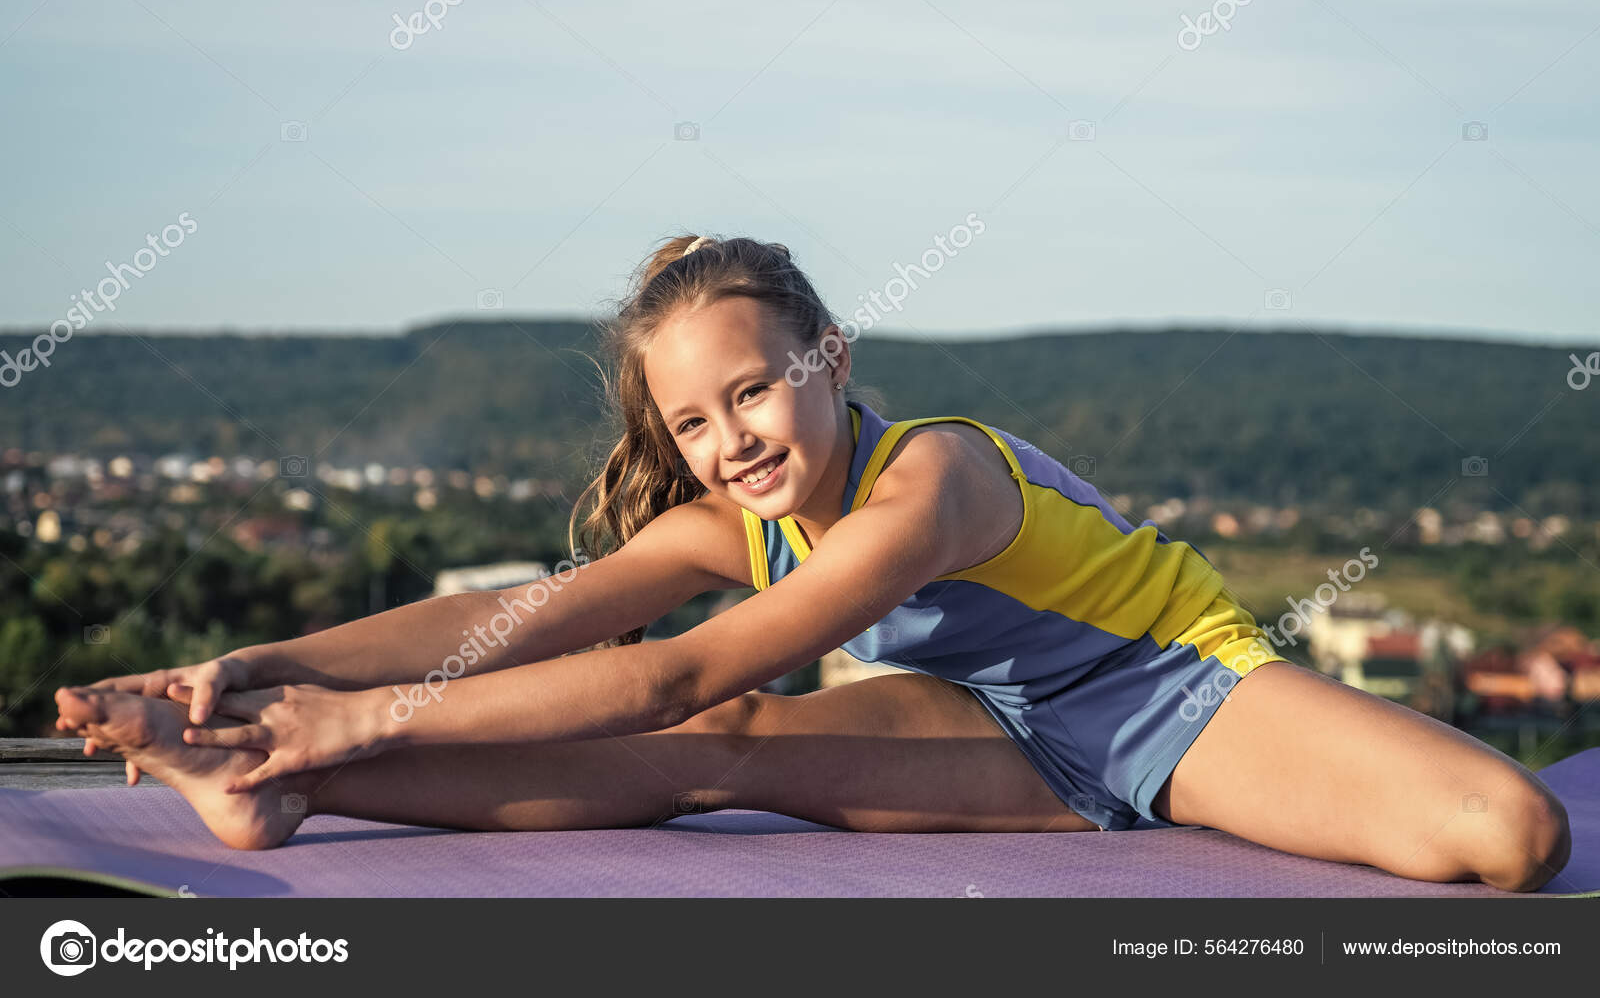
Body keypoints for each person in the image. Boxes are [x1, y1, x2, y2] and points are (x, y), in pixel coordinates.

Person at [55, 234, 1570, 892]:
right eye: (694, 421)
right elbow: (518, 616)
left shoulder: (933, 482)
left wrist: (377, 710)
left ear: (834, 358)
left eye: (757, 390)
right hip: (1007, 735)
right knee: (718, 756)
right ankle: (271, 785)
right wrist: (271, 680)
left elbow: (679, 665)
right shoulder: (739, 513)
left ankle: (322, 758)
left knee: (1513, 839)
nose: (731, 441)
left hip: (1170, 694)